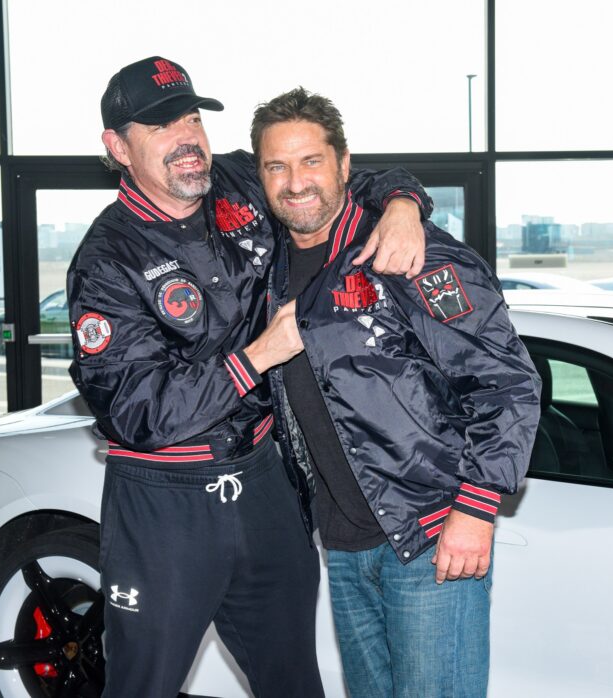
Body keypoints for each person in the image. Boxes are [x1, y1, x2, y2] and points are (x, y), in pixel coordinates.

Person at [66, 57, 433, 698]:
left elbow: (336, 178)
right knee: (140, 686)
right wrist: (257, 356)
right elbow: (135, 413)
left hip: (263, 481)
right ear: (117, 147)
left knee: (294, 681)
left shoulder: (236, 177)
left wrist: (403, 204)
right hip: (165, 501)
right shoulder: (106, 261)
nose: (186, 137)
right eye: (159, 126)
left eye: (190, 116)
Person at [248, 87, 541, 698]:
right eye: (277, 165)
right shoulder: (273, 265)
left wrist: (477, 507)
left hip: (430, 536)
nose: (295, 181)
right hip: (346, 549)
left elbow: (507, 383)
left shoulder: (406, 252)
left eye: (311, 161)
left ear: (344, 165)